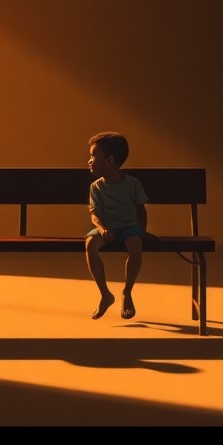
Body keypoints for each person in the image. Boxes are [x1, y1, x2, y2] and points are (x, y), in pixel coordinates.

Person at [84, 131, 150, 320]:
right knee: (90, 244)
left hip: (129, 227)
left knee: (135, 245)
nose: (89, 160)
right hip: (107, 228)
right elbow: (94, 214)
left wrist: (142, 231)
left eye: (93, 155)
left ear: (109, 160)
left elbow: (140, 209)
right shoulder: (96, 187)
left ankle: (127, 291)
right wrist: (103, 228)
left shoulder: (132, 184)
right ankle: (105, 294)